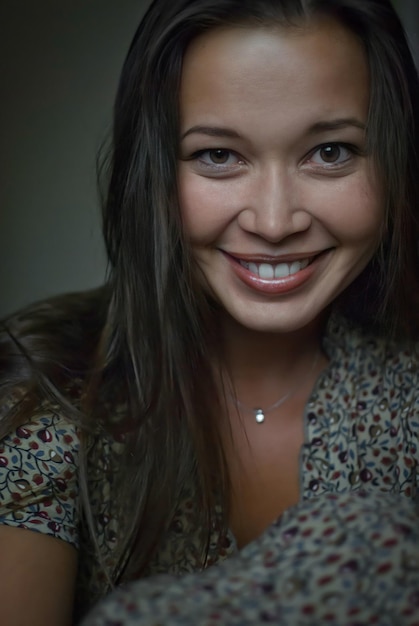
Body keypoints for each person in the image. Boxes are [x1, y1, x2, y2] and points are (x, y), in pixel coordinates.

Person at [1, 0, 419, 624]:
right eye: (218, 156)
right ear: (154, 174)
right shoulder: (45, 388)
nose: (275, 221)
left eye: (330, 152)